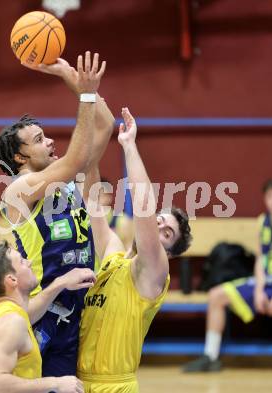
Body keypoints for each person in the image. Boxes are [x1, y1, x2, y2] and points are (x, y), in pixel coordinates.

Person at [0, 51, 114, 377]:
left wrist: (67, 75)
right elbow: (74, 160)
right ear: (19, 156)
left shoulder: (68, 183)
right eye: (38, 140)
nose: (49, 142)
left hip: (78, 313)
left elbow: (105, 124)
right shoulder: (16, 190)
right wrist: (85, 95)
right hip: (41, 313)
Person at [77, 108, 192, 392]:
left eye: (167, 233)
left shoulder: (154, 272)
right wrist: (91, 119)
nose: (159, 226)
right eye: (161, 220)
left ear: (169, 254)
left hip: (115, 387)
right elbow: (92, 204)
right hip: (76, 381)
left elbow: (143, 207)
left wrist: (129, 145)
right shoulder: (114, 257)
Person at [183, 178, 272, 372]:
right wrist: (259, 291)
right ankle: (210, 356)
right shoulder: (263, 221)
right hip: (267, 283)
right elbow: (260, 259)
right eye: (269, 197)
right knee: (216, 295)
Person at [0, 241, 96, 393]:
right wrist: (55, 383)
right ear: (12, 279)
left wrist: (60, 283)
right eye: (22, 261)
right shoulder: (11, 322)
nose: (30, 262)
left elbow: (27, 313)